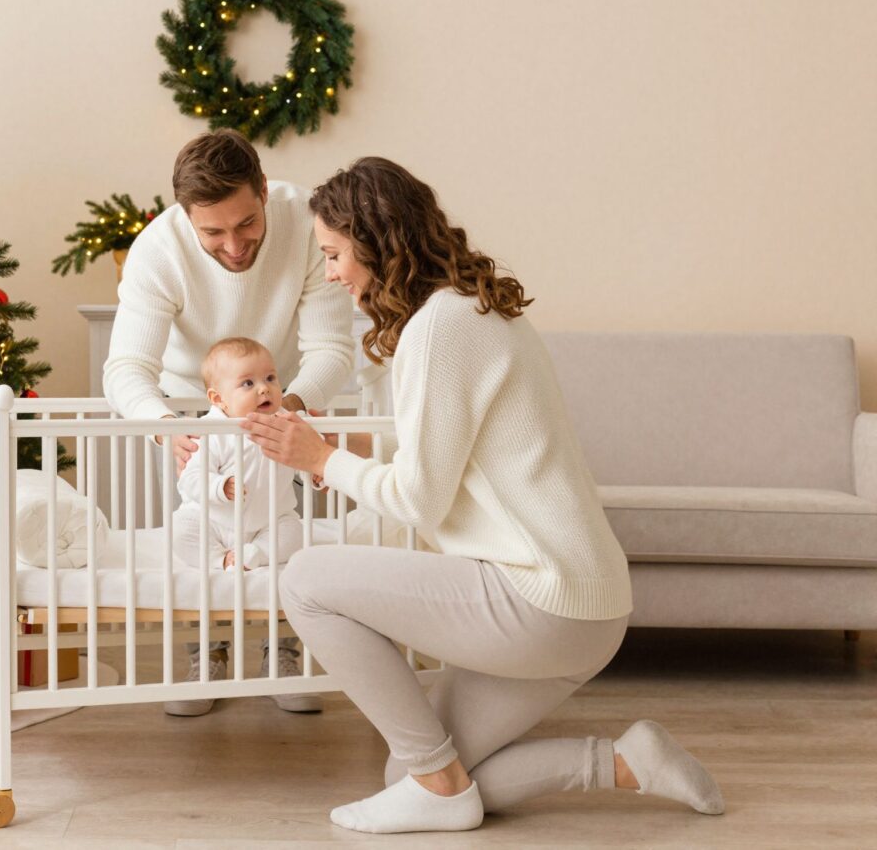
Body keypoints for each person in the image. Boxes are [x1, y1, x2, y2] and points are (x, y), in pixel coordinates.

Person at [242, 157, 724, 834]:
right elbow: (445, 465)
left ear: (374, 239)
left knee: (306, 579)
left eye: (334, 254)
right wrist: (331, 455)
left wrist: (319, 459)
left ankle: (439, 785)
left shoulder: (439, 327)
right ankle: (626, 763)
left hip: (539, 598)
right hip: (588, 603)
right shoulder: (474, 310)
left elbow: (418, 501)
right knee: (416, 771)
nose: (331, 274)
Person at [103, 129, 354, 716]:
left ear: (264, 191)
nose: (234, 246)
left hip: (280, 393)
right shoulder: (158, 252)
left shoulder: (304, 225)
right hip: (193, 403)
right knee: (204, 529)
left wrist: (290, 407)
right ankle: (206, 652)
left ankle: (283, 647)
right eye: (212, 232)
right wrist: (166, 426)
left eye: (246, 223)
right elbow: (127, 368)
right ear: (185, 216)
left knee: (281, 525)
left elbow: (331, 348)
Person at [173, 337, 303, 574]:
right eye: (248, 383)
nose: (264, 388)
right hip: (214, 521)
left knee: (293, 531)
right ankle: (220, 559)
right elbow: (189, 479)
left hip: (268, 522)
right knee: (181, 530)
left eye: (270, 378)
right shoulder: (210, 432)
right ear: (218, 399)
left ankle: (255, 553)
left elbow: (305, 455)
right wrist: (220, 487)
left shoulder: (287, 423)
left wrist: (317, 475)